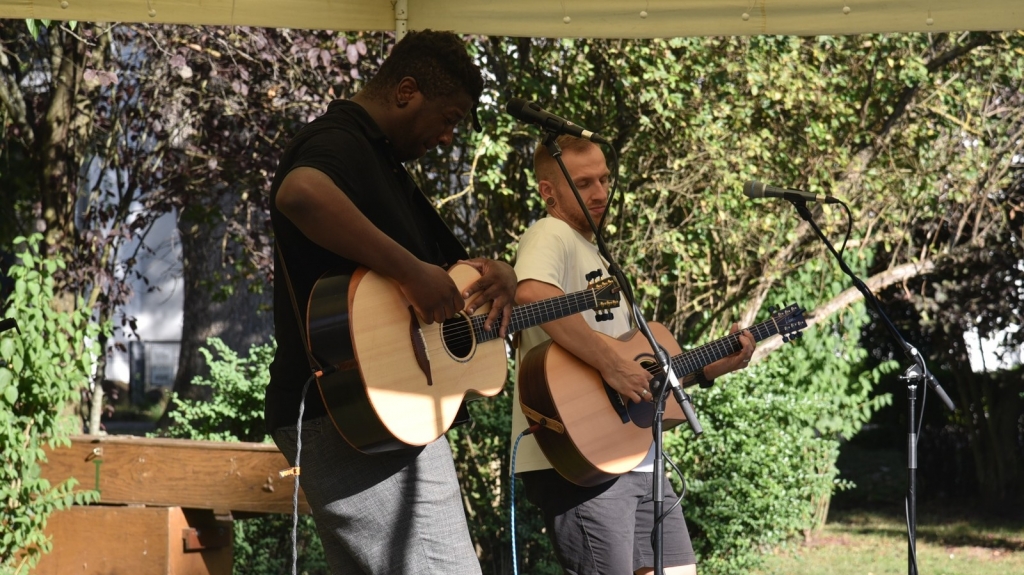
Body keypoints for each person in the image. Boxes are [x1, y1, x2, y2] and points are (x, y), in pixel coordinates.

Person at [266, 30, 516, 575]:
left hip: (375, 412)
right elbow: (300, 193)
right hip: (349, 409)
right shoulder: (340, 140)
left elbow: (444, 280)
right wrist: (406, 271)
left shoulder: (379, 161)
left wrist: (501, 274)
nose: (449, 137)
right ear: (406, 90)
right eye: (448, 117)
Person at [509, 134, 755, 575]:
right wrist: (609, 362)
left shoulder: (598, 257)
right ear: (549, 192)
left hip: (632, 456)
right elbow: (530, 296)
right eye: (584, 183)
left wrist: (712, 366)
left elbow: (632, 371)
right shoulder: (552, 234)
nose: (601, 193)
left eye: (604, 179)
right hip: (578, 456)